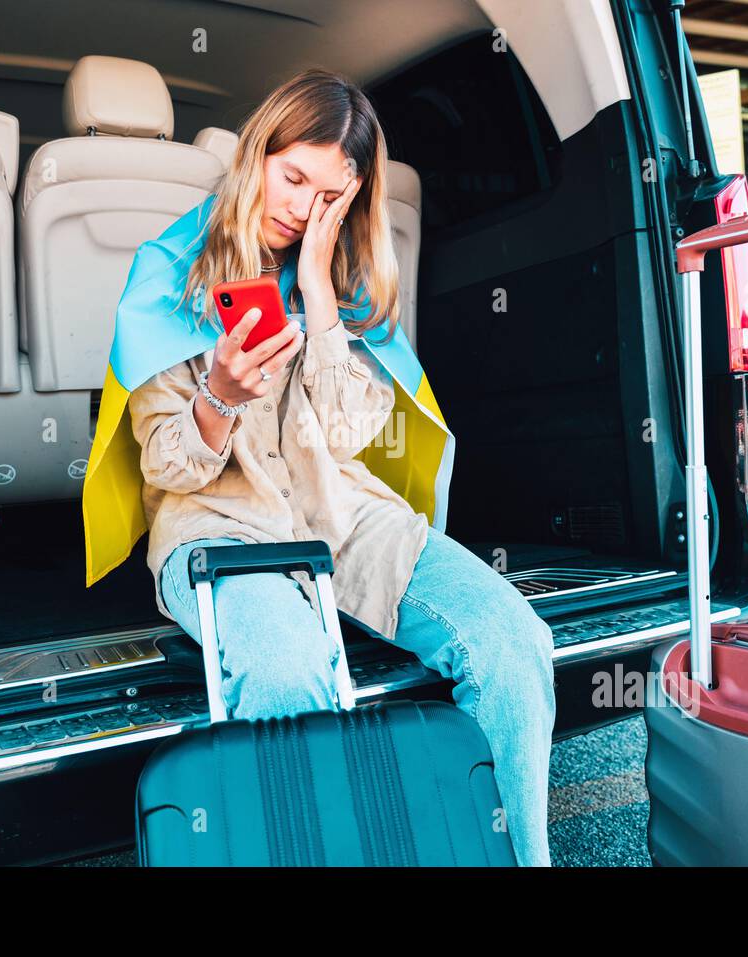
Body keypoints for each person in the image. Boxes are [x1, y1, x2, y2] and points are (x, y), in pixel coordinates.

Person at [82, 69, 557, 867]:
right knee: (286, 678)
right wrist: (221, 397)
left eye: (328, 195)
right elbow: (166, 464)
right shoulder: (168, 273)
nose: (303, 207)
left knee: (514, 641)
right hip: (220, 526)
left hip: (342, 512)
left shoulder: (346, 281)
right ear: (257, 156)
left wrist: (319, 297)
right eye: (293, 176)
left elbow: (347, 434)